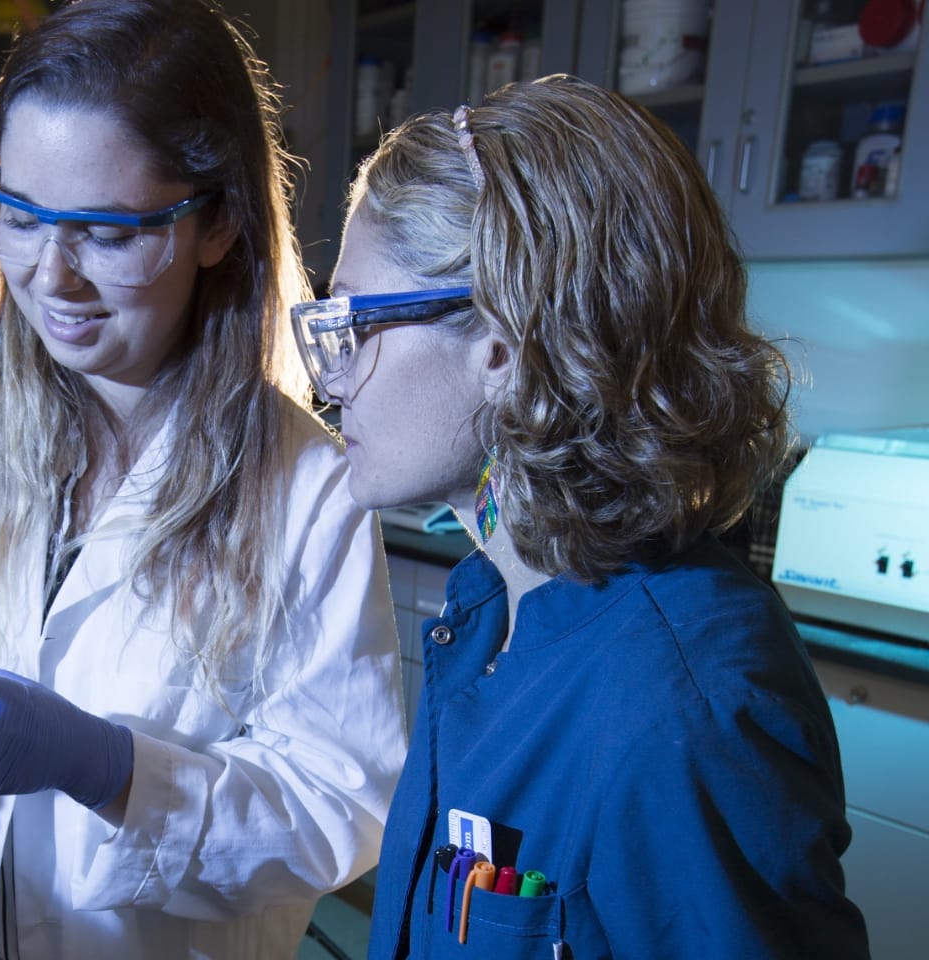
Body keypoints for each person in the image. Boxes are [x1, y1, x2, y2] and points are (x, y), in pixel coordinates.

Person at [0, 2, 405, 957]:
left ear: (217, 222)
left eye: (106, 230)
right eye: (20, 213)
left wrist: (113, 771)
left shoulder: (305, 485)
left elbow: (339, 807)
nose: (52, 276)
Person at [293, 74, 870, 958]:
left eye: (354, 326)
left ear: (501, 342)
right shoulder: (493, 604)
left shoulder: (689, 701)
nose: (327, 380)